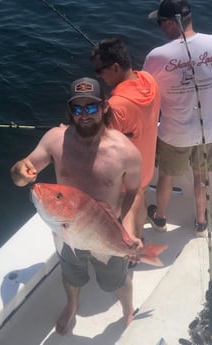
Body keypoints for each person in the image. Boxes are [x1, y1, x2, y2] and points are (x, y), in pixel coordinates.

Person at [10, 77, 142, 335]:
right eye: (77, 108)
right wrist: (20, 173)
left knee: (116, 281)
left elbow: (134, 194)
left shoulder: (126, 152)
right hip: (66, 230)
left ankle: (128, 309)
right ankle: (72, 304)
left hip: (106, 230)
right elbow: (21, 171)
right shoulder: (55, 140)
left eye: (91, 107)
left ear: (104, 107)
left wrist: (127, 232)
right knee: (71, 275)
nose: (84, 115)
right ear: (70, 110)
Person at [143, 0, 212, 236]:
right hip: (209, 132)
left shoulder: (156, 56)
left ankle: (160, 219)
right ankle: (202, 223)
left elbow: (146, 97)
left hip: (173, 134)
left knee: (167, 176)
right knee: (201, 176)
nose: (160, 27)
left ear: (171, 23)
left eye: (161, 23)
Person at [90, 38, 161, 241]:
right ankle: (140, 237)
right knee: (139, 200)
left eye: (100, 71)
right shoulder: (149, 80)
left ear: (115, 67)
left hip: (124, 179)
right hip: (146, 167)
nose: (99, 76)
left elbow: (102, 146)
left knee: (125, 214)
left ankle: (131, 248)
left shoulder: (116, 106)